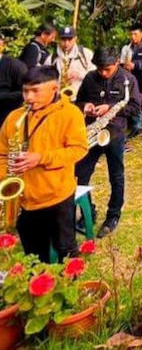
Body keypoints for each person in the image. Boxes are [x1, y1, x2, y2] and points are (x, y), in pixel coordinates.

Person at [0, 65, 87, 262]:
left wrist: (41, 158)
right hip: (24, 200)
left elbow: (78, 149)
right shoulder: (15, 118)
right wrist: (6, 177)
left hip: (57, 197)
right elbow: (2, 153)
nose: (29, 97)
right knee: (33, 256)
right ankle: (41, 290)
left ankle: (71, 289)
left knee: (66, 250)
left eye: (35, 90)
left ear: (55, 89)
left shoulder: (70, 114)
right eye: (25, 91)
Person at [75, 47, 140, 238]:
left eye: (107, 69)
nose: (103, 73)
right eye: (100, 69)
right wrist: (85, 107)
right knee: (79, 176)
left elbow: (135, 108)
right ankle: (89, 210)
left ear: (117, 63)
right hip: (91, 133)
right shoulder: (89, 78)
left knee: (116, 176)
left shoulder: (129, 80)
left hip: (115, 133)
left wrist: (111, 108)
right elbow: (78, 102)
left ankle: (113, 215)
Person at [121, 23, 142, 140]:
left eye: (135, 34)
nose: (133, 36)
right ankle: (137, 127)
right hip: (133, 82)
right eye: (131, 34)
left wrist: (136, 65)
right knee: (136, 105)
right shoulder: (127, 48)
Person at [52, 26, 94, 99]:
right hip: (59, 98)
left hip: (81, 98)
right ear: (58, 39)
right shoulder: (52, 58)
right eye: (63, 39)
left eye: (70, 39)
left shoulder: (86, 54)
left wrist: (80, 75)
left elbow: (96, 75)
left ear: (75, 39)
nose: (66, 43)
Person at [0, 30, 27, 126]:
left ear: (2, 45)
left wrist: (3, 96)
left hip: (6, 117)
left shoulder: (16, 66)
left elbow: (25, 92)